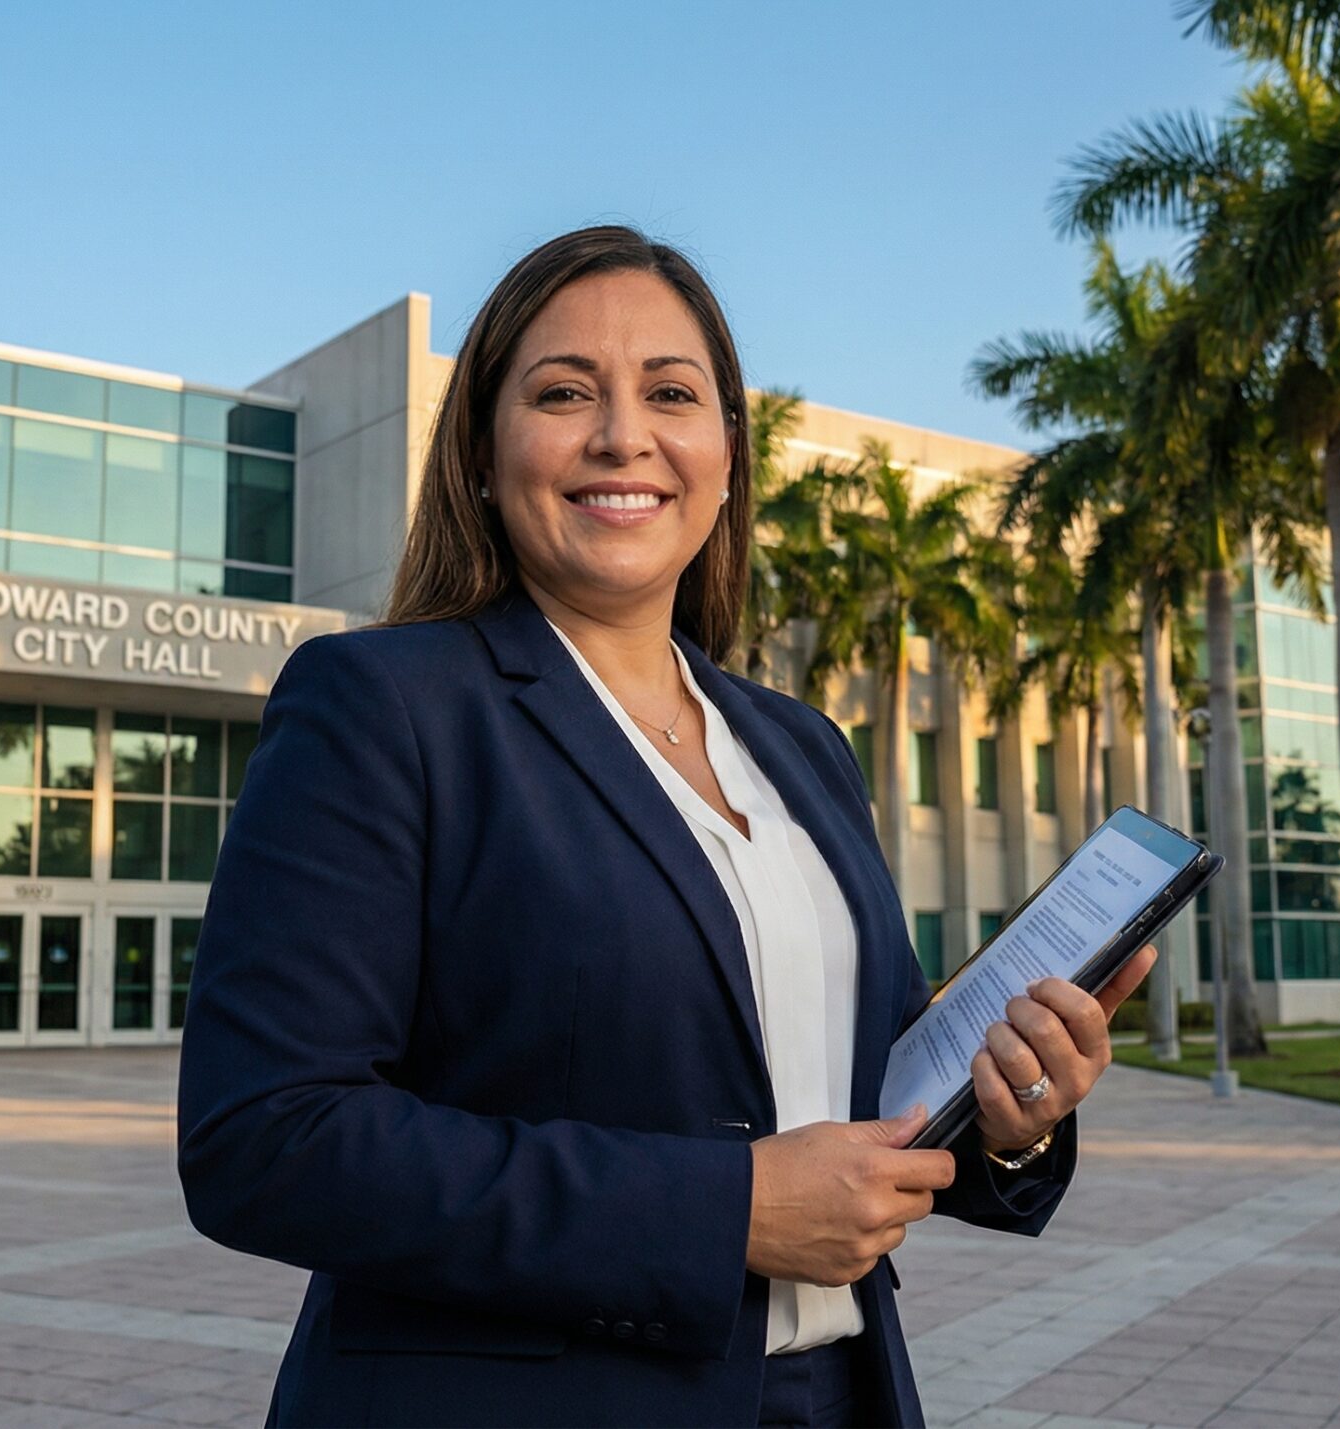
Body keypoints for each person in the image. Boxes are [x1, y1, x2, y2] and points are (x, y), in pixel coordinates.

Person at [176, 225, 1156, 1428]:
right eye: (562, 392)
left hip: (835, 1395)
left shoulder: (801, 747)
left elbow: (879, 1085)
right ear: (483, 454)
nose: (621, 435)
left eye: (670, 393)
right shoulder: (382, 705)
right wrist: (728, 1206)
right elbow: (266, 1139)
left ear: (727, 457)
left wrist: (1006, 1117)